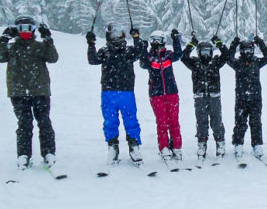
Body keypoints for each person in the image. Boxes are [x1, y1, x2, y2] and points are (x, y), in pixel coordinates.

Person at [0, 16, 59, 170]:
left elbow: (53, 58)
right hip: (19, 93)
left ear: (33, 30)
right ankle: (23, 155)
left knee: (44, 122)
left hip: (40, 91)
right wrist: (4, 39)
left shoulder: (39, 47)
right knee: (24, 124)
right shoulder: (12, 48)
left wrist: (48, 39)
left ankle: (48, 153)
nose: (25, 32)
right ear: (16, 30)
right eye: (21, 28)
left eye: (28, 28)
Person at [87, 23, 145, 165]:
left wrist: (136, 37)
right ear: (108, 36)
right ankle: (112, 147)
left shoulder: (128, 51)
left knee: (131, 120)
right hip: (108, 91)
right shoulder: (105, 51)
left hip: (126, 91)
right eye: (114, 35)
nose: (117, 38)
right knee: (110, 121)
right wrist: (91, 44)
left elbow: (139, 51)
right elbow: (93, 60)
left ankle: (134, 146)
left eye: (120, 34)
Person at [182, 35, 229, 161]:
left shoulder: (215, 62)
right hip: (200, 97)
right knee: (201, 121)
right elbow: (183, 56)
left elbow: (227, 55)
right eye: (203, 52)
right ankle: (202, 144)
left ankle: (220, 143)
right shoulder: (194, 63)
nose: (206, 54)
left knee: (216, 121)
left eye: (208, 51)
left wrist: (219, 43)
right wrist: (191, 44)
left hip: (214, 97)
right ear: (198, 52)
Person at [140, 29, 184, 163]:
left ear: (164, 41)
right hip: (156, 94)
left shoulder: (169, 55)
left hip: (171, 93)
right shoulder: (149, 56)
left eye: (159, 39)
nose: (156, 42)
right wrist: (142, 48)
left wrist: (176, 39)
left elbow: (179, 55)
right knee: (162, 122)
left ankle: (176, 147)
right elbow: (143, 64)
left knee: (174, 122)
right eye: (153, 40)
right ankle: (164, 147)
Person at [227, 36, 267, 160]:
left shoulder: (256, 62)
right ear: (241, 51)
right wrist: (233, 44)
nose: (247, 53)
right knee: (240, 122)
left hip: (255, 97)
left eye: (250, 50)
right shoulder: (237, 63)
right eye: (245, 50)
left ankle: (256, 144)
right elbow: (228, 58)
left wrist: (261, 43)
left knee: (256, 122)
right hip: (241, 98)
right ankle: (238, 144)